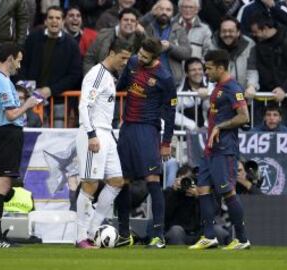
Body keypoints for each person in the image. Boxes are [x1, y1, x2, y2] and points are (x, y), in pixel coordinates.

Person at [115, 37, 177, 249]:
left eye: (144, 56)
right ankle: (124, 233)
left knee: (152, 179)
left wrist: (166, 142)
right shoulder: (132, 62)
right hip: (127, 129)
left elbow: (170, 112)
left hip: (148, 129)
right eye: (139, 53)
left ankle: (158, 235)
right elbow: (121, 86)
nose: (139, 58)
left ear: (155, 58)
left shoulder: (165, 78)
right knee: (123, 180)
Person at [188, 49, 251, 250]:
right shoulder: (218, 87)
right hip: (211, 148)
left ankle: (242, 239)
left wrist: (220, 127)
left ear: (221, 68)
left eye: (208, 68)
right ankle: (209, 236)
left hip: (225, 148)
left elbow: (244, 117)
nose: (205, 72)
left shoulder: (233, 88)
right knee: (203, 189)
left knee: (227, 191)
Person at [75, 39, 133, 249]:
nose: (125, 62)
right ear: (111, 52)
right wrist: (91, 135)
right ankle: (81, 236)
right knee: (90, 183)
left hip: (107, 133)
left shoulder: (109, 76)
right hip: (94, 132)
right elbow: (84, 106)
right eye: (122, 57)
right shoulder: (97, 74)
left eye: (128, 58)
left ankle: (93, 229)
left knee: (117, 180)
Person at [0, 43, 40, 248]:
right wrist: (27, 105)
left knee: (4, 183)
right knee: (1, 183)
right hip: (6, 133)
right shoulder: (0, 81)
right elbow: (10, 115)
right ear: (9, 58)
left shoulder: (2, 80)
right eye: (18, 60)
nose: (19, 64)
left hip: (7, 134)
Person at [140, 0, 191, 85]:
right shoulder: (146, 27)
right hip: (148, 80)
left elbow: (187, 53)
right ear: (155, 10)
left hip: (173, 81)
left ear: (172, 13)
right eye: (161, 9)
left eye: (168, 10)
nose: (164, 12)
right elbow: (135, 26)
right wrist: (150, 15)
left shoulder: (178, 29)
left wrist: (170, 47)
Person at [210, 16, 259, 99]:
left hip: (242, 97)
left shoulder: (249, 44)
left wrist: (252, 86)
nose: (227, 34)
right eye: (224, 31)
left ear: (238, 32)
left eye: (231, 31)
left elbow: (252, 69)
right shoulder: (213, 45)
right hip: (220, 97)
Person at [164, 165, 201, 245]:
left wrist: (198, 197)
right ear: (177, 179)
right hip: (176, 232)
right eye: (183, 180)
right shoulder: (169, 192)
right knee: (176, 231)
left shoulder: (200, 194)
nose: (185, 182)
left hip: (197, 233)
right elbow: (164, 216)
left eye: (188, 180)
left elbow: (211, 215)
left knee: (216, 232)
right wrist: (174, 193)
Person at [175, 57, 211, 130]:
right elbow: (171, 112)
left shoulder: (212, 84)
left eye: (200, 69)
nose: (197, 72)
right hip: (190, 133)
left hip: (211, 129)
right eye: (193, 70)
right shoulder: (179, 91)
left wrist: (209, 94)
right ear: (187, 73)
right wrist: (192, 125)